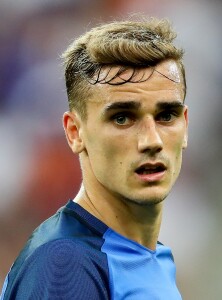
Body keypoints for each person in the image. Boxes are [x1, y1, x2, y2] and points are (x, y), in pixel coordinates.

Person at [1, 16, 188, 299]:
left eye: (166, 116)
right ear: (75, 133)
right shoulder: (66, 263)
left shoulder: (155, 257)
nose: (152, 140)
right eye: (123, 118)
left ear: (185, 125)